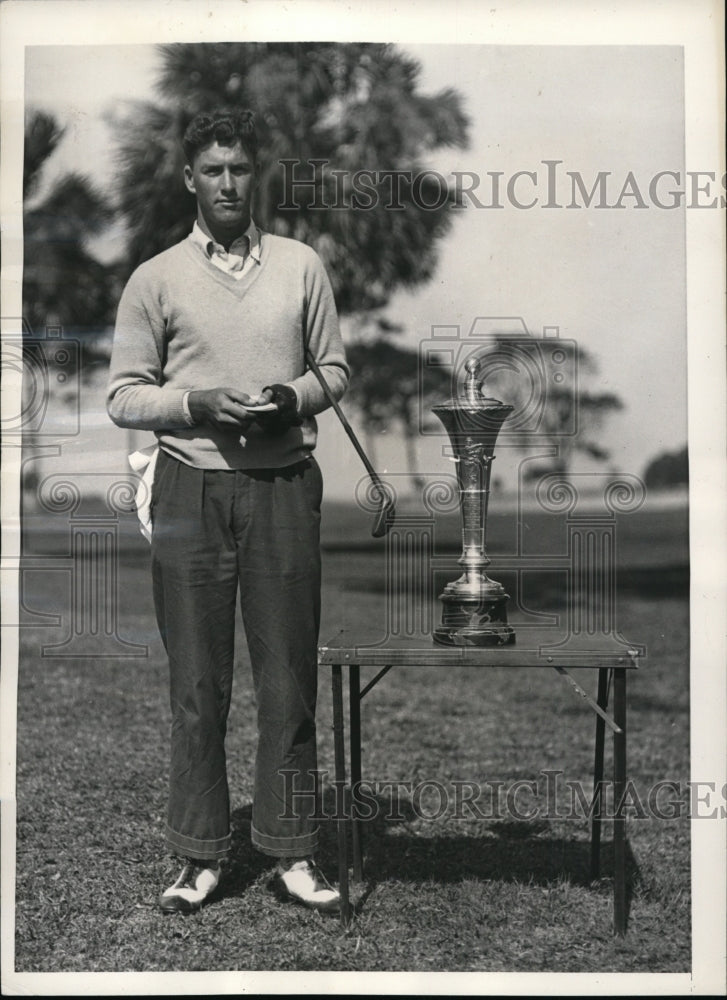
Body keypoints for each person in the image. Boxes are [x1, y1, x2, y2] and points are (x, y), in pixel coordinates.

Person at [107, 108, 349, 914]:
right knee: (198, 685)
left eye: (240, 169)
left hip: (283, 486)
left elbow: (335, 371)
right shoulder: (155, 278)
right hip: (188, 487)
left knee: (288, 679)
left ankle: (292, 853)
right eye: (212, 170)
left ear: (259, 177)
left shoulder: (301, 265)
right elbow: (123, 397)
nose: (228, 183)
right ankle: (198, 856)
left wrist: (289, 396)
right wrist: (198, 403)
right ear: (189, 179)